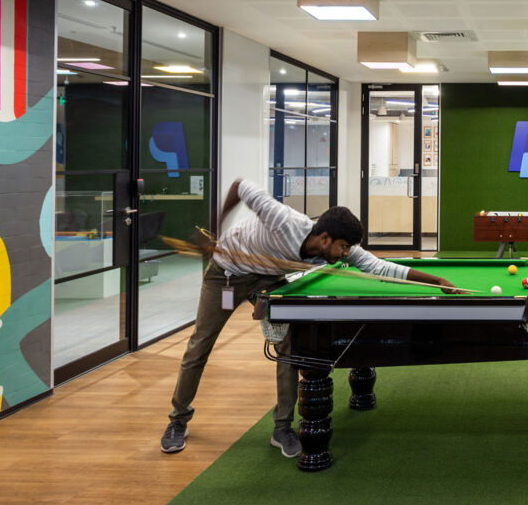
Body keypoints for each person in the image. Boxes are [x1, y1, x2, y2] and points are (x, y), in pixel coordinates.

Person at [160, 178, 456, 457]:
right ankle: (178, 419)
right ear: (325, 238)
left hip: (269, 279)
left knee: (290, 347)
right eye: (342, 247)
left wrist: (435, 280)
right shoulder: (283, 220)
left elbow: (379, 267)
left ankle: (282, 428)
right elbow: (240, 186)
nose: (345, 255)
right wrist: (213, 231)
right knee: (200, 346)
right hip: (225, 274)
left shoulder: (336, 248)